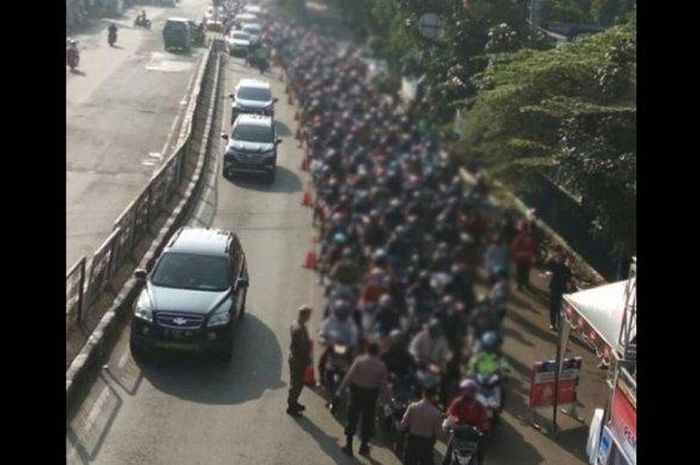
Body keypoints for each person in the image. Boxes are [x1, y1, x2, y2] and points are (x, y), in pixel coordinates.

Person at [335, 342, 390, 457]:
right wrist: (386, 404)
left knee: (352, 419)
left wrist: (340, 391)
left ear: (367, 349)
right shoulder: (381, 366)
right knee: (368, 421)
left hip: (357, 394)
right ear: (377, 351)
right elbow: (383, 386)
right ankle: (363, 447)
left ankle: (349, 447)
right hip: (371, 396)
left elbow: (349, 377)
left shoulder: (359, 361)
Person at [441, 379, 490, 465]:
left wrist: (484, 428)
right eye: (465, 391)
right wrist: (446, 424)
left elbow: (485, 420)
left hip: (473, 434)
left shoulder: (479, 405)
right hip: (459, 432)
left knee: (480, 451)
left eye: (469, 391)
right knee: (448, 452)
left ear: (474, 392)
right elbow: (449, 414)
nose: (467, 393)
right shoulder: (457, 402)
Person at [400, 385, 445, 465]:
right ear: (434, 396)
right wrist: (446, 427)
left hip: (412, 441)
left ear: (423, 393)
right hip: (426, 445)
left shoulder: (412, 407)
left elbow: (403, 424)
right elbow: (439, 435)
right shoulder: (437, 413)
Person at [287, 305, 313, 417]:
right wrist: (307, 360)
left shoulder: (296, 324)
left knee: (297, 382)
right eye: (309, 315)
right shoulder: (299, 329)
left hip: (295, 358)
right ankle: (291, 406)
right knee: (297, 384)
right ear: (305, 315)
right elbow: (301, 348)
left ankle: (294, 402)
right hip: (298, 360)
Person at [546, 249, 572, 331]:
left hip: (561, 290)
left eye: (562, 258)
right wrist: (553, 256)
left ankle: (556, 324)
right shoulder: (556, 265)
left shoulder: (566, 269)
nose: (561, 259)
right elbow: (548, 264)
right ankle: (553, 324)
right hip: (555, 289)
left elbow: (569, 280)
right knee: (553, 308)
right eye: (560, 257)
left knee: (557, 309)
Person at [510, 224, 537, 291]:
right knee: (526, 273)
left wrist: (513, 254)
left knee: (520, 272)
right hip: (528, 258)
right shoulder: (531, 237)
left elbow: (515, 246)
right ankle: (526, 286)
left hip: (521, 258)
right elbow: (534, 247)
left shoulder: (519, 237)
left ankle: (520, 286)